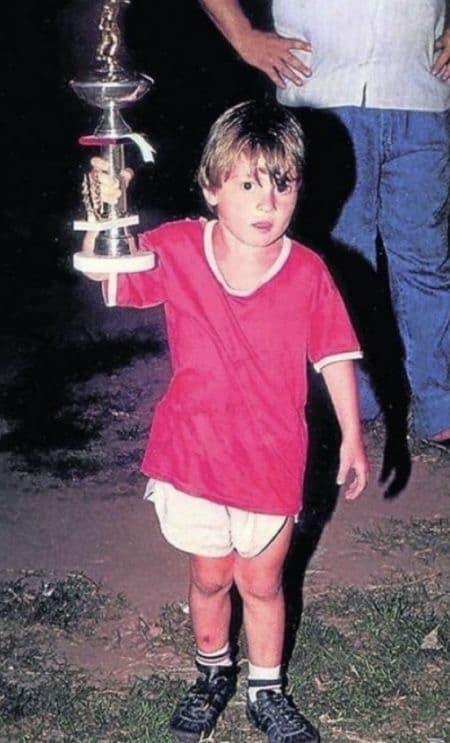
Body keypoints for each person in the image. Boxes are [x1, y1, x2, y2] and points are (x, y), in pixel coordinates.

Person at [82, 100, 368, 742]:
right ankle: (212, 672)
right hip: (194, 455)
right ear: (211, 188)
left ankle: (266, 689)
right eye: (247, 185)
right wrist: (105, 208)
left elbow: (334, 354)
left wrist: (352, 435)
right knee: (210, 577)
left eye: (282, 184)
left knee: (262, 583)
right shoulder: (179, 247)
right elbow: (110, 272)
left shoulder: (308, 272)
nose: (267, 202)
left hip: (270, 459)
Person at [198, 0, 450, 450]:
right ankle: (346, 403)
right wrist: (242, 36)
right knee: (335, 263)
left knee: (427, 262)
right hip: (322, 101)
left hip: (422, 95)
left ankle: (440, 408)